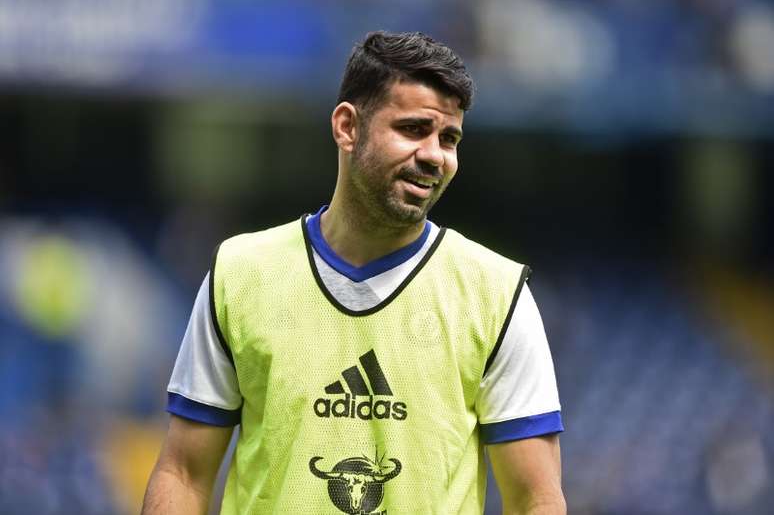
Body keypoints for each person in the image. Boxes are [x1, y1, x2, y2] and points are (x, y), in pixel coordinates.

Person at [142, 31, 565, 515]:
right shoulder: (239, 274)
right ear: (347, 127)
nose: (435, 155)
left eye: (449, 138)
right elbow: (183, 475)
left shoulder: (498, 293)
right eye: (413, 129)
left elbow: (536, 499)